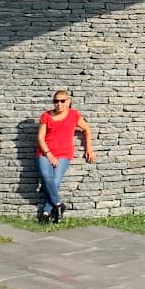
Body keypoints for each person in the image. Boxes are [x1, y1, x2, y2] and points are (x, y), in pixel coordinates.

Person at [37, 89, 95, 223]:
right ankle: (58, 205)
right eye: (56, 101)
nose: (59, 103)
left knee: (55, 182)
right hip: (45, 152)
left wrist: (89, 149)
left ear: (68, 101)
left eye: (62, 101)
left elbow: (86, 129)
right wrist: (49, 154)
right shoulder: (46, 116)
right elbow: (40, 138)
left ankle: (45, 213)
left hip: (63, 154)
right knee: (46, 177)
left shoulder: (74, 115)